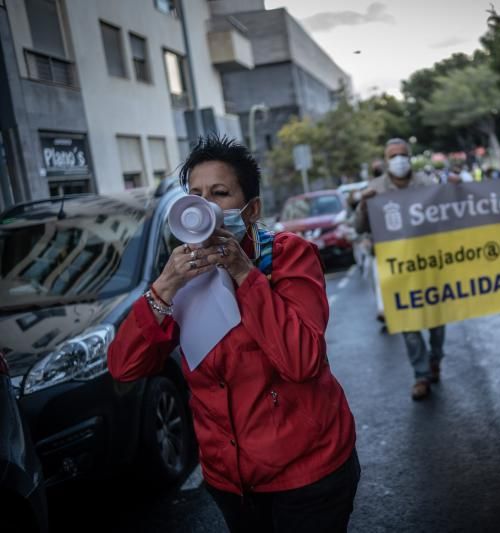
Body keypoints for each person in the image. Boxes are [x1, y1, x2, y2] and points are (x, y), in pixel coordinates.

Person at [107, 136, 359, 532]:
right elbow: (124, 367)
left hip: (308, 475)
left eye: (219, 193)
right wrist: (164, 288)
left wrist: (244, 273)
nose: (203, 205)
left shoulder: (288, 255)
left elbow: (302, 360)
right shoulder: (182, 273)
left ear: (251, 209)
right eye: (195, 194)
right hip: (230, 483)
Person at [355, 138, 446, 400]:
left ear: (410, 156)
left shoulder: (427, 185)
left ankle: (435, 359)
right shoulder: (374, 189)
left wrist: (454, 190)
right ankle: (421, 374)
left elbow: (446, 214)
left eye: (403, 154)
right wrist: (363, 204)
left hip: (428, 263)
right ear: (386, 161)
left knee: (437, 319)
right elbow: (360, 227)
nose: (399, 159)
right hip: (395, 266)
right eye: (393, 156)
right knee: (407, 321)